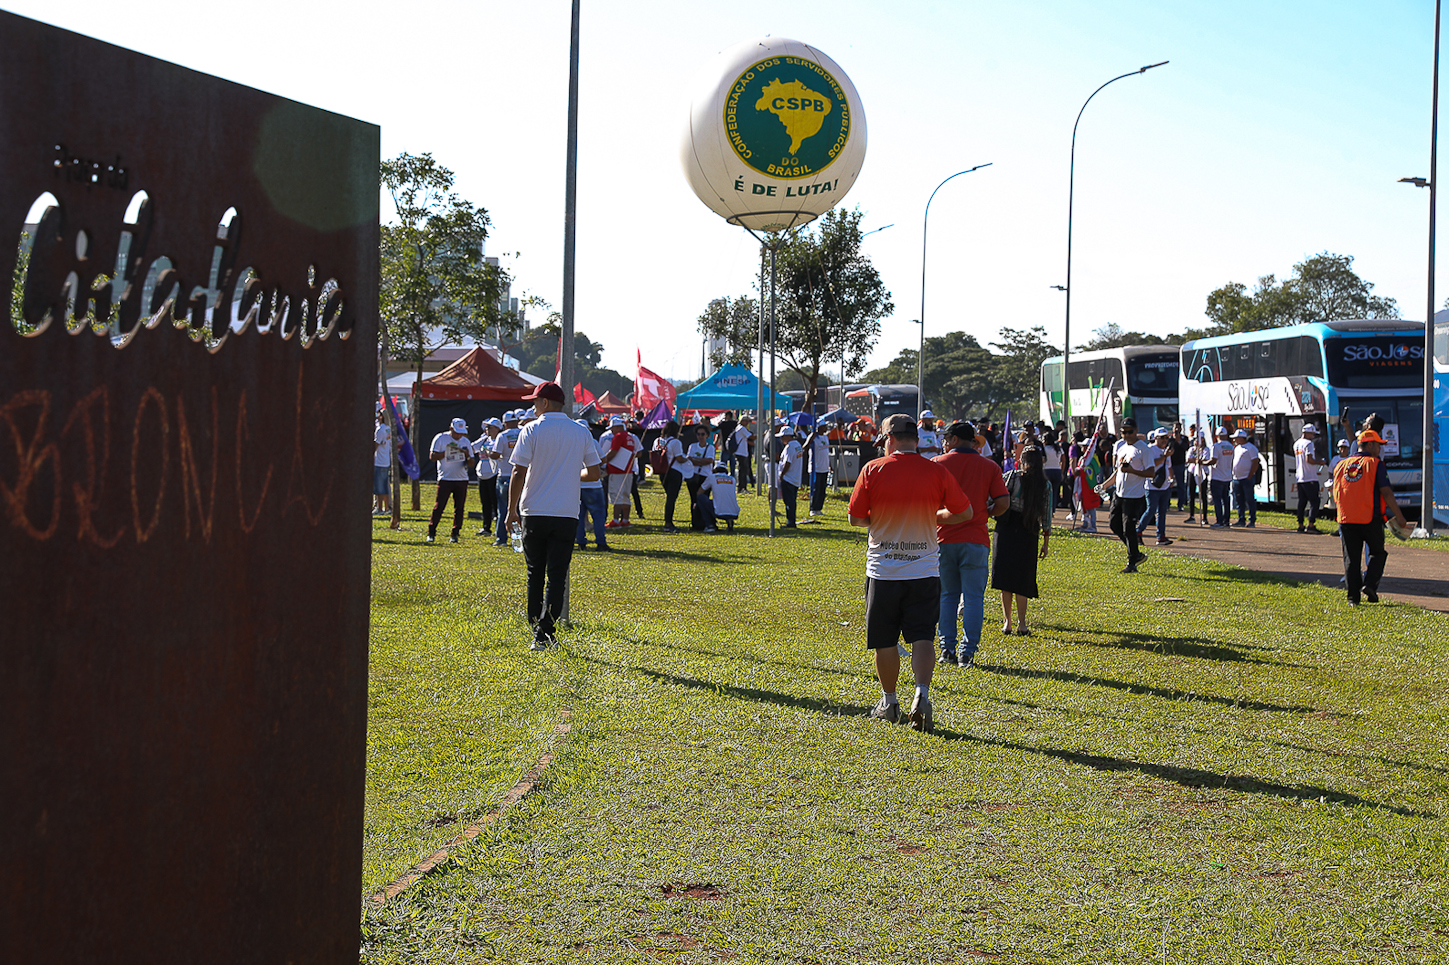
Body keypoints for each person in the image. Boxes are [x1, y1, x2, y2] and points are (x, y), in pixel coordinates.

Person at [848, 413, 972, 733]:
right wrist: (933, 516)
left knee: (885, 640)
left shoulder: (872, 469)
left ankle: (889, 702)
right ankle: (921, 693)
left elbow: (856, 519)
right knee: (922, 637)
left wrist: (881, 520)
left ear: (888, 440)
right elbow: (965, 512)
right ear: (917, 440)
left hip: (884, 570)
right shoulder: (937, 471)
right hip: (924, 570)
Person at [505, 382, 602, 650]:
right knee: (557, 575)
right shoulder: (580, 431)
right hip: (566, 513)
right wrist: (573, 474)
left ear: (545, 403)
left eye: (535, 402)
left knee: (535, 572)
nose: (533, 406)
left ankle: (535, 624)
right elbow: (594, 473)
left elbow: (518, 471)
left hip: (534, 511)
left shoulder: (531, 429)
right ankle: (545, 633)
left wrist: (511, 510)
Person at [933, 421, 1009, 668]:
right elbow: (1003, 503)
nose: (944, 443)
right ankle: (968, 652)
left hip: (943, 538)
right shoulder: (990, 466)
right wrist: (987, 511)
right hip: (976, 539)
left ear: (954, 440)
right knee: (974, 598)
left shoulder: (937, 464)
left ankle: (946, 649)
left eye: (946, 439)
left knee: (947, 595)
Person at [1331, 429, 1409, 606]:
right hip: (1369, 518)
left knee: (1351, 558)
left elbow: (1335, 492)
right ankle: (1370, 585)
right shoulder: (1375, 464)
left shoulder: (1341, 465)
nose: (1380, 449)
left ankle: (1353, 599)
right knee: (1378, 553)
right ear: (1370, 445)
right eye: (1379, 445)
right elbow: (1387, 492)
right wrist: (1400, 517)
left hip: (1346, 519)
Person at [992, 446, 1052, 635]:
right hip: (1029, 530)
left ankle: (1007, 622)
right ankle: (1022, 623)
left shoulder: (1011, 477)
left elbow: (995, 497)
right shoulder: (1045, 485)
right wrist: (1046, 542)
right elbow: (1047, 515)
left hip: (1007, 529)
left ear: (1021, 460)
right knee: (1023, 578)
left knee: (1005, 578)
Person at [1108, 417, 1152, 572]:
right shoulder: (1122, 448)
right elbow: (1117, 472)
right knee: (1114, 524)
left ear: (1136, 431)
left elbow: (1151, 472)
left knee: (1128, 528)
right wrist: (1105, 485)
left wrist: (1133, 470)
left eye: (1130, 432)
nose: (1127, 435)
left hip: (1134, 496)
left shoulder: (1143, 449)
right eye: (1124, 432)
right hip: (1119, 494)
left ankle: (1132, 562)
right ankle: (1135, 553)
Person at [427, 417, 475, 544]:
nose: (459, 436)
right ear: (450, 429)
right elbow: (432, 457)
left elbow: (471, 463)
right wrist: (448, 452)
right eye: (456, 432)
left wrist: (467, 455)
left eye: (461, 433)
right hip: (445, 478)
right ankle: (431, 532)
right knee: (439, 506)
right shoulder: (441, 438)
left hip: (462, 479)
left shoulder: (466, 441)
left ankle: (455, 533)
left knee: (459, 508)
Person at [576, 418, 610, 551]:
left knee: (578, 516)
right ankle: (600, 542)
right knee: (598, 516)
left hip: (577, 484)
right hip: (593, 484)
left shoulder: (571, 442)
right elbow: (603, 459)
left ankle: (581, 542)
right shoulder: (592, 442)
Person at [490, 411, 523, 546]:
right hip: (522, 475)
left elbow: (496, 454)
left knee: (503, 508)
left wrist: (489, 453)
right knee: (520, 509)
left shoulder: (502, 436)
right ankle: (520, 538)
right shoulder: (523, 433)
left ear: (505, 423)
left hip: (504, 475)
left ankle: (501, 538)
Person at [1138, 427, 1173, 546]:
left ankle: (1161, 536)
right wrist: (1164, 456)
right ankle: (1138, 532)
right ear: (1156, 438)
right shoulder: (1150, 449)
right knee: (1151, 510)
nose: (1164, 440)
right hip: (1152, 487)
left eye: (1166, 437)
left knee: (1162, 512)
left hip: (1164, 486)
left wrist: (1172, 479)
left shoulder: (1167, 451)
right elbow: (1151, 465)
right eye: (1162, 437)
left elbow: (1169, 466)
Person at [602, 416, 639, 528]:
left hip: (616, 471)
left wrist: (602, 461)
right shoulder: (630, 437)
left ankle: (615, 520)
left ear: (618, 428)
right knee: (625, 495)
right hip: (628, 470)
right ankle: (625, 520)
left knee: (616, 495)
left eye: (612, 429)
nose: (612, 432)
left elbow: (613, 452)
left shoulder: (618, 437)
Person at [655, 421, 689, 533]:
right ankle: (668, 523)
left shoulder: (657, 441)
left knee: (669, 497)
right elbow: (679, 458)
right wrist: (687, 459)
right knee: (671, 498)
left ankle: (668, 521)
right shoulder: (676, 442)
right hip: (674, 471)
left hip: (662, 471)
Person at [1293, 423, 1326, 533]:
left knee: (1302, 502)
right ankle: (1311, 524)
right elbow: (1309, 459)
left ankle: (1300, 524)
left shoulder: (1296, 444)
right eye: (1312, 434)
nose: (1313, 436)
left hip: (1300, 477)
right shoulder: (1309, 444)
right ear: (1307, 433)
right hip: (1310, 477)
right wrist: (1319, 462)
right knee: (1314, 502)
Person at [473, 417, 502, 537]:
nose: (487, 429)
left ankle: (498, 529)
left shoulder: (500, 440)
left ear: (497, 429)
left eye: (490, 427)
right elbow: (472, 448)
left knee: (495, 502)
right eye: (486, 427)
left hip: (494, 473)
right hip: (482, 474)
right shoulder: (484, 439)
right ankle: (486, 527)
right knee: (485, 502)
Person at [685, 423, 715, 531]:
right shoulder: (692, 446)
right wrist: (700, 462)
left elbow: (709, 461)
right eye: (698, 434)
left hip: (705, 477)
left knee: (703, 500)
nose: (700, 436)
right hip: (693, 476)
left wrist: (695, 461)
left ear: (707, 435)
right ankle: (695, 524)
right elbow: (689, 460)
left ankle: (705, 522)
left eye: (703, 434)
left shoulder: (710, 447)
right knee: (693, 500)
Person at [1231, 428, 1260, 527]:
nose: (1234, 440)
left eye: (1236, 438)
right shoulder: (1237, 448)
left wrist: (1250, 475)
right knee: (1239, 500)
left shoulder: (1251, 448)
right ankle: (1241, 519)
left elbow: (1255, 462)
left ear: (1241, 438)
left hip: (1246, 478)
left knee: (1249, 499)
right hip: (1237, 478)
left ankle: (1252, 520)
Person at [1206, 426, 1234, 528]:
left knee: (1217, 500)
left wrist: (1203, 462)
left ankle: (1219, 521)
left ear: (1217, 436)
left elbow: (1213, 460)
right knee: (1226, 500)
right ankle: (1226, 520)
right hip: (1227, 476)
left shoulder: (1216, 446)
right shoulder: (1231, 446)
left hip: (1217, 476)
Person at [777, 425, 803, 528]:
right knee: (792, 501)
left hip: (789, 478)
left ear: (788, 436)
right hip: (795, 477)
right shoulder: (797, 445)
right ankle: (791, 520)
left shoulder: (789, 447)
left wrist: (782, 474)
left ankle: (790, 522)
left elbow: (788, 462)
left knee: (789, 502)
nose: (781, 439)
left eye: (782, 436)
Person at [1185, 427, 1210, 526]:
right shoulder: (1192, 449)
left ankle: (1204, 517)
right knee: (1191, 494)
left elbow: (1205, 460)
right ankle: (1191, 515)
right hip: (1192, 471)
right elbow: (1188, 459)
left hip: (1202, 472)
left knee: (1203, 495)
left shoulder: (1206, 449)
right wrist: (1196, 460)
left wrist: (1198, 460)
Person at [806, 422, 830, 517]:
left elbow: (826, 452)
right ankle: (812, 508)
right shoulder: (814, 438)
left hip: (824, 468)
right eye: (824, 426)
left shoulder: (825, 437)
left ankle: (819, 508)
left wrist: (830, 465)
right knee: (815, 490)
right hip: (815, 468)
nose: (826, 427)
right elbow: (805, 447)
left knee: (822, 490)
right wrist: (811, 438)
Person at [373, 408, 392, 517]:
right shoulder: (388, 429)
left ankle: (379, 508)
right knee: (385, 485)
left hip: (379, 461)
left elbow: (375, 445)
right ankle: (387, 507)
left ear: (381, 417)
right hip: (386, 460)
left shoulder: (380, 430)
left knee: (379, 486)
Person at [731, 416, 755, 489]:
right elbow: (751, 437)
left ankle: (742, 486)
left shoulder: (738, 428)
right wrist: (761, 435)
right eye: (746, 421)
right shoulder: (742, 428)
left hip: (741, 452)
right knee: (743, 471)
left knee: (743, 470)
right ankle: (742, 486)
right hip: (741, 452)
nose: (747, 423)